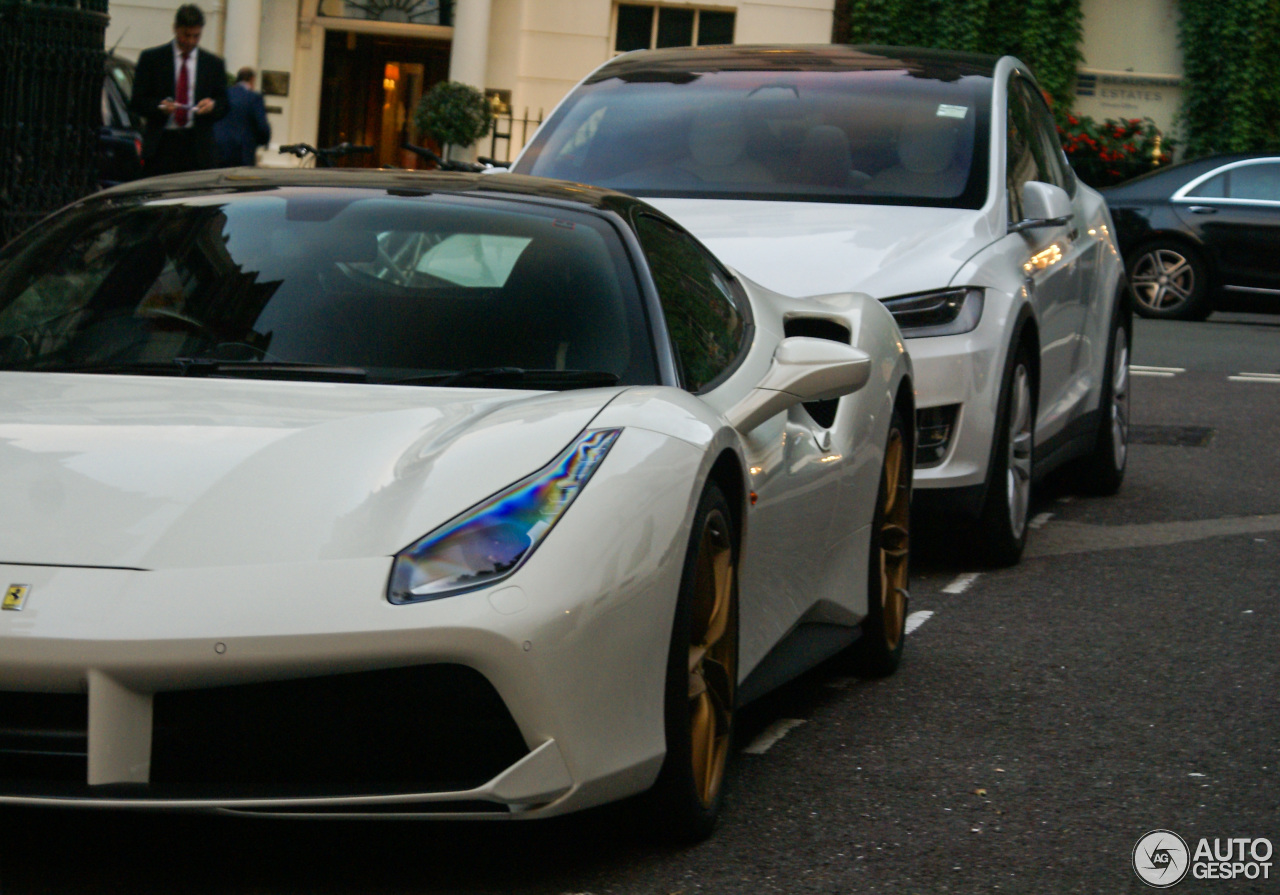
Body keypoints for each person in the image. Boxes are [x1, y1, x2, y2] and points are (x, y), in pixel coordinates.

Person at [129, 4, 228, 175]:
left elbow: (224, 104)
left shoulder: (212, 64)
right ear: (175, 29)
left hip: (198, 147)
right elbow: (137, 102)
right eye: (186, 35)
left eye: (196, 36)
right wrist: (159, 107)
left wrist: (212, 106)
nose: (190, 41)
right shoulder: (152, 59)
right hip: (162, 144)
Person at [215, 67, 272, 167]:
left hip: (218, 149)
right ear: (252, 79)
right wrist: (262, 142)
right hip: (242, 152)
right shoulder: (254, 98)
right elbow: (262, 126)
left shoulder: (223, 94)